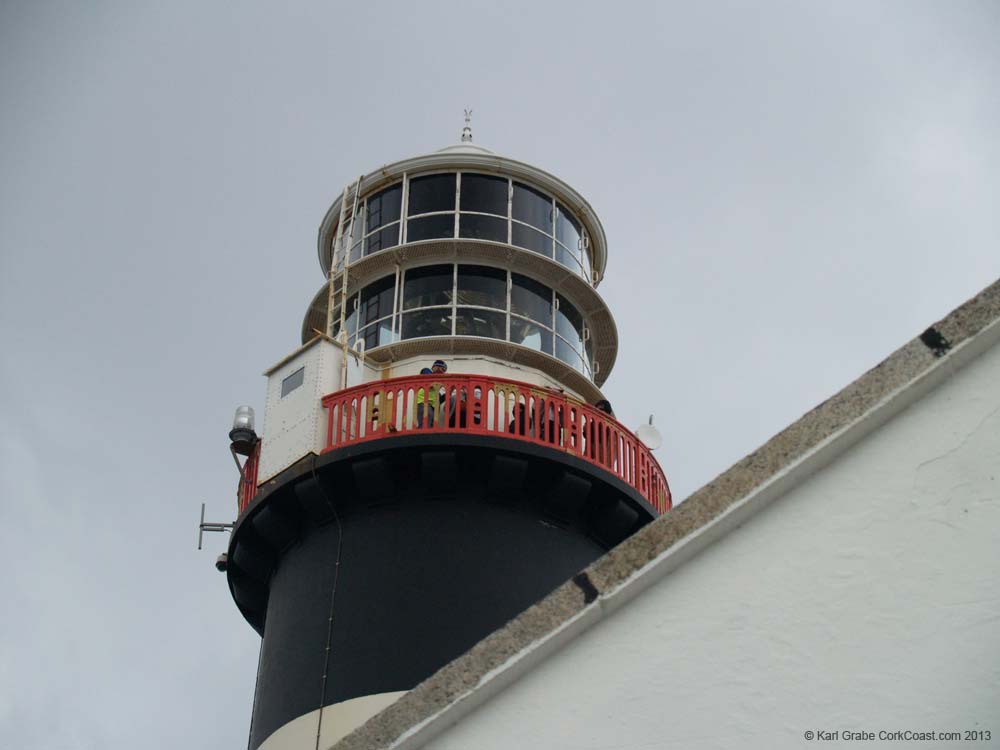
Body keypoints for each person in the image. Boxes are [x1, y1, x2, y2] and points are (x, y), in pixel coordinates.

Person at [416, 360, 447, 427]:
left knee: (432, 424)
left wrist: (449, 392)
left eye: (442, 369)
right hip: (423, 401)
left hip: (434, 406)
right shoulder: (426, 371)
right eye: (438, 366)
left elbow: (439, 399)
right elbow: (428, 380)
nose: (439, 369)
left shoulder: (437, 391)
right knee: (427, 418)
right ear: (433, 367)